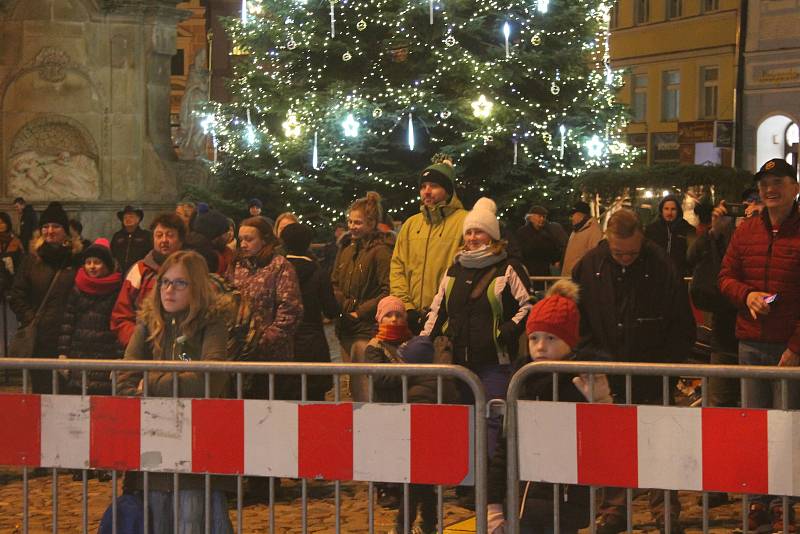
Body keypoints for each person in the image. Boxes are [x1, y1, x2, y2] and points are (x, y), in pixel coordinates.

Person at [571, 209, 695, 533]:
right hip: (607, 366)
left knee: (659, 441)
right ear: (607, 242)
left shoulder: (662, 265)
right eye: (618, 253)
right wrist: (591, 356)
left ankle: (664, 508)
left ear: (642, 240)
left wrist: (667, 362)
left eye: (631, 253)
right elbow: (578, 318)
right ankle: (614, 508)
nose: (625, 259)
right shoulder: (590, 266)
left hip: (653, 367)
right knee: (614, 444)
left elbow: (682, 321)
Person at [117, 250, 234, 534]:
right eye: (165, 282)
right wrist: (155, 386)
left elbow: (209, 380)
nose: (169, 290)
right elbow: (124, 381)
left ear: (196, 287)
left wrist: (152, 384)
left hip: (198, 451)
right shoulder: (147, 323)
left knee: (191, 521)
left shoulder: (212, 322)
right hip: (151, 451)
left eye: (180, 283)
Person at [487, 279, 613, 534]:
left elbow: (602, 442)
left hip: (567, 500)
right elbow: (505, 445)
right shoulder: (520, 381)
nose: (540, 346)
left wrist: (601, 403)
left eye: (551, 338)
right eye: (534, 338)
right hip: (522, 497)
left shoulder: (583, 380)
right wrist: (493, 504)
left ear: (570, 341)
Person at [719, 158, 800, 533]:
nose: (770, 189)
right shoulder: (747, 230)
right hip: (750, 344)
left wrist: (797, 346)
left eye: (778, 181)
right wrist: (746, 295)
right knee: (754, 430)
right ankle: (757, 502)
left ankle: (786, 503)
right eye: (765, 182)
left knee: (788, 432)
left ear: (794, 187)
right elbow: (725, 276)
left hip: (789, 349)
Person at [422, 197, 532, 461]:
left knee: (492, 420)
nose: (472, 237)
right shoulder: (454, 270)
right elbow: (438, 310)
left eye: (479, 231)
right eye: (469, 232)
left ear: (492, 236)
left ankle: (489, 483)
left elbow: (528, 305)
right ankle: (467, 477)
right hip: (458, 361)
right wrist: (424, 341)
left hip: (495, 362)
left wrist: (505, 332)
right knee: (462, 419)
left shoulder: (508, 269)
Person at [9, 202, 82, 393]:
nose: (50, 231)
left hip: (70, 338)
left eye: (56, 226)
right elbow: (17, 294)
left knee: (70, 393)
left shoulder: (77, 258)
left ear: (66, 231)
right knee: (42, 393)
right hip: (40, 339)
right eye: (45, 226)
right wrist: (30, 319)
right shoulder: (32, 260)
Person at [227, 216, 302, 397]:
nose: (243, 244)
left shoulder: (280, 266)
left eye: (249, 239)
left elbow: (290, 309)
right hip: (239, 355)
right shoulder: (237, 266)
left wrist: (263, 340)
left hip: (271, 357)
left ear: (264, 240)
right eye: (241, 239)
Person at [390, 159, 467, 334]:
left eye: (434, 185)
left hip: (447, 318)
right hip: (411, 317)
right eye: (423, 186)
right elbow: (397, 267)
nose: (427, 191)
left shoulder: (464, 222)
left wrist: (441, 310)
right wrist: (406, 307)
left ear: (447, 190)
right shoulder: (411, 224)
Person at [331, 192, 393, 400]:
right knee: (352, 386)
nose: (352, 226)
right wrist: (340, 306)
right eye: (349, 221)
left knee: (364, 388)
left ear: (372, 222)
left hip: (366, 328)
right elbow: (335, 281)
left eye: (357, 222)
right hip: (346, 325)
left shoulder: (381, 252)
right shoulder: (347, 250)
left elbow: (387, 290)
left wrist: (360, 312)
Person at [281, 222, 340, 400]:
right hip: (312, 344)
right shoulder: (318, 273)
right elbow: (331, 309)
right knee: (314, 402)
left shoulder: (278, 270)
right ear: (308, 244)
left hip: (284, 343)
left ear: (283, 243)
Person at [57, 238, 123, 394]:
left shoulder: (117, 289)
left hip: (107, 356)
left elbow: (120, 324)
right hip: (79, 354)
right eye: (88, 262)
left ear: (107, 265)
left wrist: (121, 358)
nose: (92, 266)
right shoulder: (77, 288)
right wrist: (63, 353)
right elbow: (68, 323)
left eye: (97, 262)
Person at [111, 213, 186, 348]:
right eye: (159, 235)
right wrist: (137, 342)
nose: (164, 240)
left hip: (181, 350)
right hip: (144, 352)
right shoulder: (139, 270)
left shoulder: (191, 271)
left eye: (170, 235)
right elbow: (120, 316)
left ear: (180, 240)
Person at [644, 194, 696, 277]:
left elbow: (693, 254)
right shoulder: (652, 230)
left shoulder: (687, 229)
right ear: (662, 210)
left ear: (678, 211)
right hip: (656, 275)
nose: (669, 212)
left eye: (673, 209)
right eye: (666, 209)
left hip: (680, 275)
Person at [516, 204, 562, 287]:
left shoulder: (547, 232)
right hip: (530, 273)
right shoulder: (522, 233)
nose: (542, 219)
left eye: (544, 217)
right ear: (531, 217)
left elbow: (553, 250)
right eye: (540, 216)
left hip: (545, 273)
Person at [561, 201, 603, 276]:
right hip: (570, 279)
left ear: (581, 214)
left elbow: (595, 258)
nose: (571, 218)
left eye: (572, 215)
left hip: (580, 280)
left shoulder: (594, 231)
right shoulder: (576, 230)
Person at [190, 209, 234, 275]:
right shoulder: (210, 259)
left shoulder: (187, 245)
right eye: (226, 232)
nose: (228, 235)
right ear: (216, 234)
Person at [110, 205, 152, 275]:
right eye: (125, 217)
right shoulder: (117, 236)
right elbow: (112, 254)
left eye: (131, 217)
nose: (128, 219)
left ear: (138, 219)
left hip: (140, 273)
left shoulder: (146, 236)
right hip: (119, 274)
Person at [0, 211, 24, 294]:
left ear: (8, 224)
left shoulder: (16, 240)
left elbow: (22, 261)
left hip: (12, 281)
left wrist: (11, 260)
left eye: (3, 223)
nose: (1, 225)